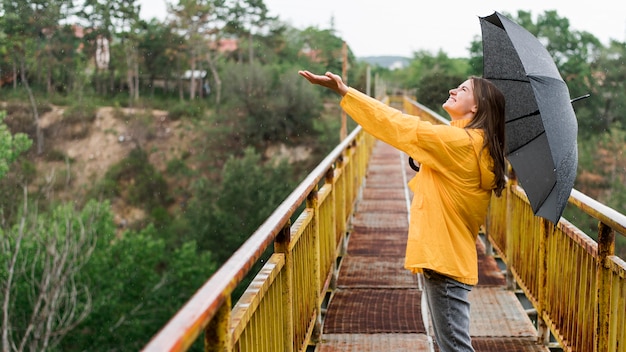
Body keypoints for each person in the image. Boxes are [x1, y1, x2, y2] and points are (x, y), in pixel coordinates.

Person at [299, 70, 506, 352]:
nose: (453, 90)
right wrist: (425, 159)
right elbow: (447, 172)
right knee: (451, 344)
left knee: (455, 347)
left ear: (476, 107)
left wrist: (346, 92)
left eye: (463, 89)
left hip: (443, 258)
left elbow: (399, 124)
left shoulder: (460, 143)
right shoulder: (475, 144)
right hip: (449, 255)